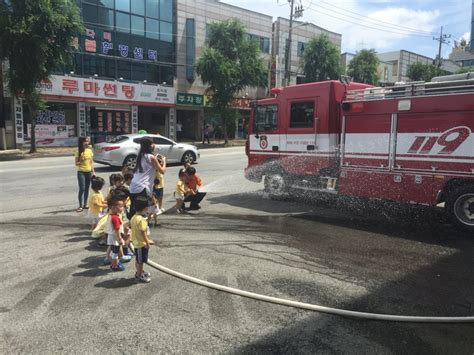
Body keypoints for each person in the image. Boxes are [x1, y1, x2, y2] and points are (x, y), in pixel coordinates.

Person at [128, 138, 161, 218]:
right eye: (152, 143)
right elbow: (162, 170)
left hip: (133, 186)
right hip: (143, 187)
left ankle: (132, 226)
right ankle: (140, 227)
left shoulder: (140, 156)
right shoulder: (151, 157)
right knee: (143, 210)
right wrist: (164, 161)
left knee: (134, 209)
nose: (154, 145)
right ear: (149, 146)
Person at [131, 196, 152, 283]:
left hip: (136, 242)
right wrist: (147, 242)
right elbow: (143, 232)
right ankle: (139, 275)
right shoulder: (141, 220)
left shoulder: (134, 217)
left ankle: (140, 272)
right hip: (141, 244)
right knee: (140, 261)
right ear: (145, 208)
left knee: (138, 260)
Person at [75, 136, 95, 212]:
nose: (87, 142)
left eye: (87, 141)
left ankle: (85, 204)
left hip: (88, 172)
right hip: (81, 172)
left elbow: (91, 162)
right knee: (82, 188)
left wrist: (93, 172)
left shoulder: (89, 151)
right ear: (82, 142)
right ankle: (80, 205)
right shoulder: (78, 151)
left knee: (87, 188)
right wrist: (80, 160)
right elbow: (76, 163)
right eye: (85, 141)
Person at [106, 199, 125, 271]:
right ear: (113, 207)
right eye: (120, 206)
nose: (122, 208)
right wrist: (120, 239)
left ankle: (114, 264)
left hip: (112, 237)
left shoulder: (111, 216)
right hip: (115, 238)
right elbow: (117, 230)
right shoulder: (115, 218)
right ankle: (115, 265)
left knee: (114, 252)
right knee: (115, 253)